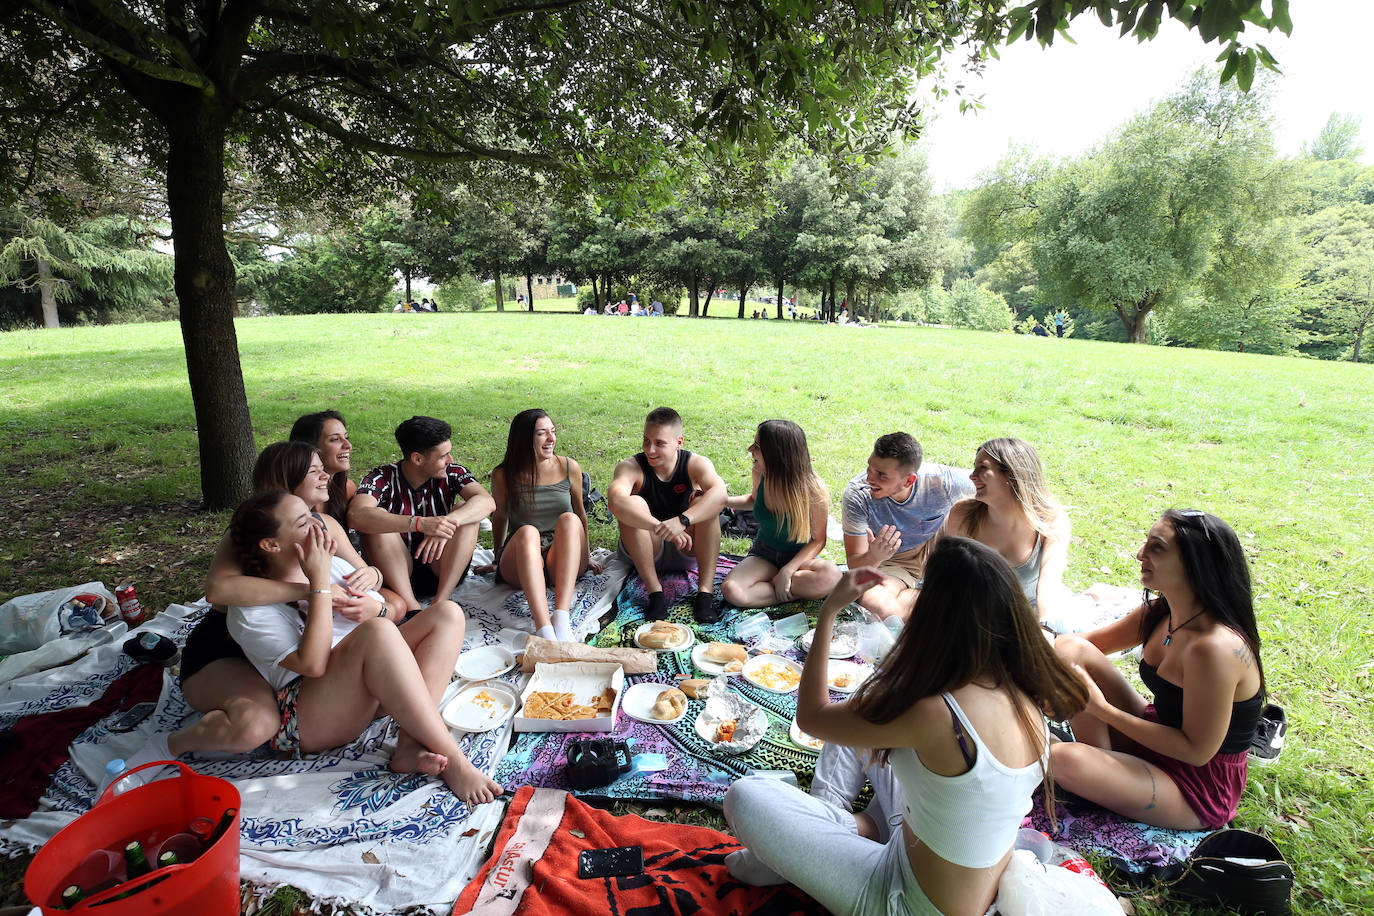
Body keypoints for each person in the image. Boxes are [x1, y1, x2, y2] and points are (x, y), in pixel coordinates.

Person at [723, 539, 1087, 916]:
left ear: (935, 614)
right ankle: (829, 822)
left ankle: (809, 840)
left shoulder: (934, 713)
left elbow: (812, 717)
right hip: (929, 847)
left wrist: (830, 609)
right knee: (866, 700)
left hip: (906, 902)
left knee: (747, 794)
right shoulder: (1026, 688)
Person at [227, 490, 502, 805]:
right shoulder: (248, 609)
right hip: (309, 716)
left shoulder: (326, 564)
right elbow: (314, 665)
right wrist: (318, 586)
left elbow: (387, 607)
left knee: (446, 615)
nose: (319, 526)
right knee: (377, 633)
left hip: (366, 686)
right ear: (271, 545)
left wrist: (375, 607)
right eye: (304, 523)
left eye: (312, 514)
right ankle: (453, 761)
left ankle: (410, 746)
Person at [1050, 510, 1264, 829]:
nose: (1140, 554)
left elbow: (1196, 751)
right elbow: (1078, 645)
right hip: (1153, 733)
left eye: (1157, 547)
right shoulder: (1160, 612)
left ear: (1195, 564)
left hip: (1196, 784)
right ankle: (1100, 773)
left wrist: (1102, 710)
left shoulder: (1214, 649)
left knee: (1062, 760)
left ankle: (1092, 772)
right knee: (1069, 651)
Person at [350, 416, 495, 613]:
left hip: (443, 568)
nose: (450, 460)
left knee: (466, 510)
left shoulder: (453, 472)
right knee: (376, 520)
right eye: (444, 456)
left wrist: (446, 522)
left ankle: (440, 601)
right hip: (396, 574)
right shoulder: (382, 477)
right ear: (417, 459)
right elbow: (357, 514)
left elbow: (487, 501)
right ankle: (412, 608)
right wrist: (420, 523)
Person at [483, 409, 603, 642]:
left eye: (553, 432)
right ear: (525, 439)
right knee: (527, 531)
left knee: (569, 519)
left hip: (561, 559)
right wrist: (498, 557)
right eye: (542, 433)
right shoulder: (503, 474)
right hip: (524, 559)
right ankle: (544, 629)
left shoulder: (569, 467)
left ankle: (561, 616)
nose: (551, 439)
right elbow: (499, 517)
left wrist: (585, 555)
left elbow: (580, 514)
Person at [608, 407, 726, 622]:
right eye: (646, 441)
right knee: (632, 504)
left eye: (659, 443)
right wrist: (659, 527)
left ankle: (705, 595)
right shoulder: (630, 467)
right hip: (646, 548)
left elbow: (720, 494)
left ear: (679, 443)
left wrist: (683, 521)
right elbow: (615, 500)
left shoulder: (696, 464)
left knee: (706, 502)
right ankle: (655, 594)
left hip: (687, 547)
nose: (650, 450)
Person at [841, 432, 972, 620]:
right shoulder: (858, 495)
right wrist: (874, 555)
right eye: (869, 468)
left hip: (942, 548)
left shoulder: (942, 482)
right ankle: (936, 599)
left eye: (881, 475)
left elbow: (996, 489)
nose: (870, 478)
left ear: (909, 480)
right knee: (875, 604)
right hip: (895, 559)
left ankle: (923, 601)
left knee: (973, 507)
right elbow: (856, 566)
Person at [940, 438, 1070, 619]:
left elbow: (1050, 585)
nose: (972, 475)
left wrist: (1045, 626)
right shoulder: (963, 515)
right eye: (974, 467)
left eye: (982, 468)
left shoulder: (1051, 520)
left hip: (1027, 619)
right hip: (970, 616)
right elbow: (948, 577)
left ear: (1011, 475)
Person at [720, 420, 840, 608]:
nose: (750, 449)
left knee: (831, 577)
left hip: (798, 558)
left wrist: (788, 571)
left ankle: (777, 584)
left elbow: (818, 540)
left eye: (757, 446)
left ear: (777, 454)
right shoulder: (760, 472)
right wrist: (722, 500)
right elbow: (753, 501)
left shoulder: (813, 490)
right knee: (732, 590)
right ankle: (788, 591)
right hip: (764, 553)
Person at [289, 409, 356, 531]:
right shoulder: (292, 498)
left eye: (346, 437)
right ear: (310, 447)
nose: (348, 445)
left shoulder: (346, 488)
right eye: (335, 439)